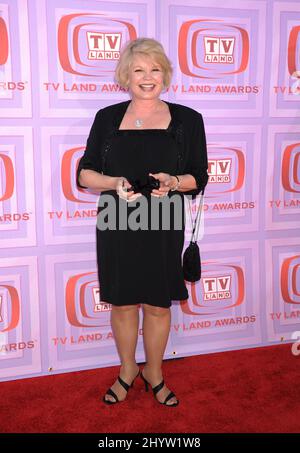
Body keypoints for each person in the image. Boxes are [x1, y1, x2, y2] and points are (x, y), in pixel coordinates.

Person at [76, 38, 208, 407]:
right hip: (116, 218)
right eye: (138, 70)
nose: (147, 77)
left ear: (164, 74)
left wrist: (174, 182)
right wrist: (113, 183)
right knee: (121, 303)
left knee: (157, 305)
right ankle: (126, 369)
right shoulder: (106, 118)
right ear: (126, 76)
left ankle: (154, 371)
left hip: (164, 218)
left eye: (154, 69)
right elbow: (85, 174)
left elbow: (199, 176)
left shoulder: (188, 120)